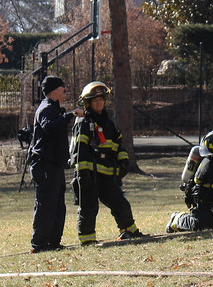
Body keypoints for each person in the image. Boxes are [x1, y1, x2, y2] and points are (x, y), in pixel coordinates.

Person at [71, 81, 147, 244]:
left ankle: (130, 231)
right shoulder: (83, 124)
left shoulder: (108, 124)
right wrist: (82, 173)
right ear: (88, 103)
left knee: (120, 203)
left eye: (101, 99)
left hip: (106, 175)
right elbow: (80, 150)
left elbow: (117, 146)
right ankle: (87, 240)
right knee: (89, 208)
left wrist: (123, 162)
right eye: (94, 100)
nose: (99, 103)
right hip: (89, 175)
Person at [29, 76, 79, 253]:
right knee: (46, 204)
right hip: (45, 165)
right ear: (53, 91)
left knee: (58, 204)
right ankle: (39, 243)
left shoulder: (54, 109)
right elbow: (50, 127)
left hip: (54, 165)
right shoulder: (46, 109)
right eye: (62, 87)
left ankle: (53, 241)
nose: (66, 89)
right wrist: (70, 115)